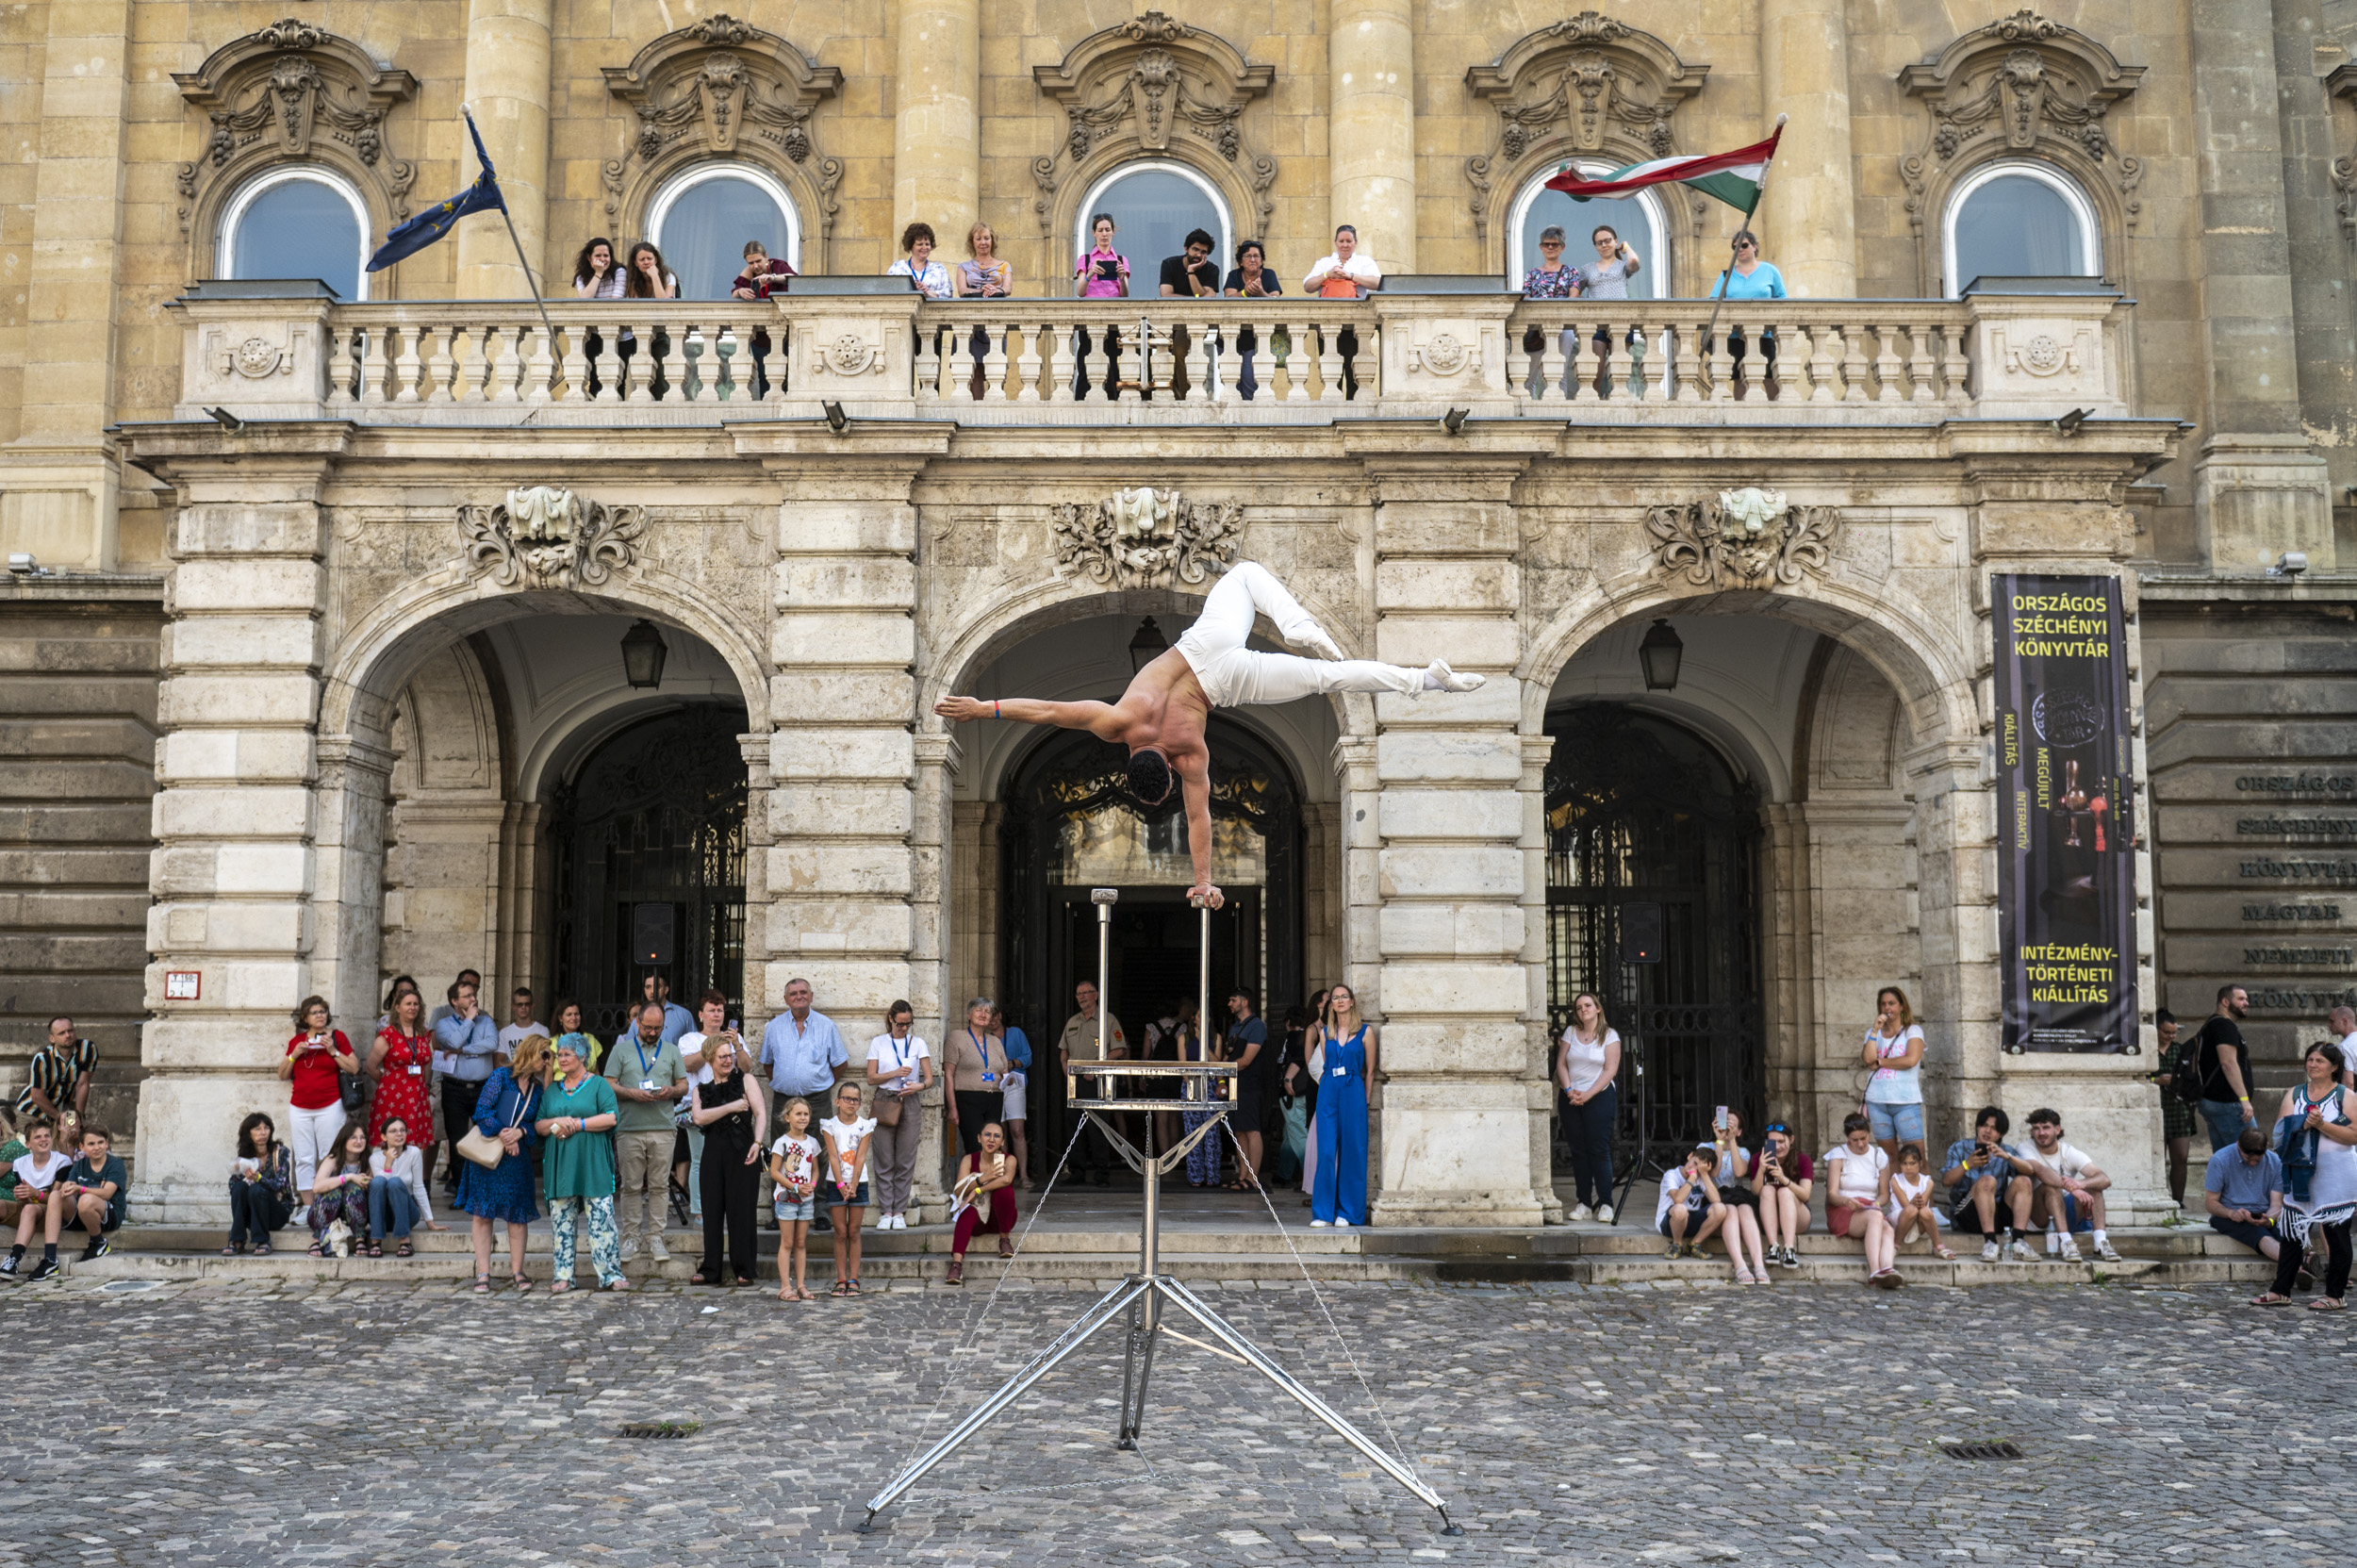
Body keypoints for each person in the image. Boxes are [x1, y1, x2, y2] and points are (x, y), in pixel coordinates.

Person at [936, 561, 1479, 910]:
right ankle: (1295, 623)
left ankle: (1426, 681)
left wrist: (1203, 880)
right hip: (1202, 648)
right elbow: (1052, 710)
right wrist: (985, 709)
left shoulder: (1191, 756)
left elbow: (1200, 820)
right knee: (1244, 574)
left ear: (1165, 768)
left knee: (1325, 679)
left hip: (1226, 681)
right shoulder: (1119, 722)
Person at [2256, 1041, 2356, 1309]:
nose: (2313, 1065)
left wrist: (2322, 1124)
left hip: (2336, 1174)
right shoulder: (2295, 1093)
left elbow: (2354, 1135)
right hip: (2298, 1171)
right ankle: (2281, 1290)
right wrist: (2303, 1123)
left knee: (2336, 1234)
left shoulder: (2345, 1096)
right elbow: (2280, 1131)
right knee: (2291, 1232)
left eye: (2320, 1061)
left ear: (2334, 1067)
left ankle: (2335, 1295)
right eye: (2310, 1060)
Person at [456, 1034, 547, 1293]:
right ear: (531, 1053)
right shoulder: (500, 1077)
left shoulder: (537, 1088)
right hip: (489, 1158)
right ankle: (483, 1273)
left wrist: (520, 1134)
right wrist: (505, 1133)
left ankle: (518, 1271)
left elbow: (535, 1124)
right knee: (483, 1216)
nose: (548, 1061)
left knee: (517, 1217)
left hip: (516, 1160)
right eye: (544, 1055)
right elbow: (482, 1111)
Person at [537, 1032, 627, 1293]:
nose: (561, 1059)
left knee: (602, 1221)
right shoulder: (553, 1090)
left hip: (593, 1164)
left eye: (567, 1054)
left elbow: (611, 1118)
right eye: (559, 1055)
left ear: (583, 1057)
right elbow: (540, 1124)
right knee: (562, 1222)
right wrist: (560, 1124)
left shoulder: (599, 1085)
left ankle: (610, 1274)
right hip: (562, 1165)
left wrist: (577, 1124)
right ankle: (563, 1276)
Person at [605, 999, 687, 1265]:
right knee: (630, 1186)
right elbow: (608, 1084)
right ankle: (631, 1237)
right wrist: (631, 1093)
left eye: (658, 1028)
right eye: (648, 1027)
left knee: (660, 1186)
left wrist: (671, 1092)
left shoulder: (672, 1050)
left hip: (663, 1126)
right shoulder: (622, 1050)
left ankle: (656, 1237)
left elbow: (684, 1085)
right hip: (629, 1127)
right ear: (637, 1022)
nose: (653, 1032)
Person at [689, 1034, 767, 1285]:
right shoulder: (700, 1090)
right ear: (710, 1059)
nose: (728, 1060)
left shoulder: (746, 1080)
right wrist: (731, 1107)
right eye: (722, 1056)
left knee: (742, 1211)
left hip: (744, 1152)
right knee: (711, 1211)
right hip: (713, 1155)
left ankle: (744, 1269)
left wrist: (757, 1143)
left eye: (730, 1055)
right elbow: (699, 1118)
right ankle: (711, 1269)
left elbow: (760, 1113)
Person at [2007, 1108, 2122, 1263]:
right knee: (2050, 1187)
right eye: (2036, 1128)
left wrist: (2081, 1183)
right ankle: (2066, 1243)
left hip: (2065, 1210)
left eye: (2046, 1127)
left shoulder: (2068, 1151)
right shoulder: (2025, 1147)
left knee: (2095, 1187)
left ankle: (2100, 1243)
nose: (2041, 1133)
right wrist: (2073, 1189)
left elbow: (2104, 1179)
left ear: (2057, 1129)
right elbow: (2041, 1172)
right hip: (2038, 1215)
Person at [1310, 982, 1376, 1228]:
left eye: (1343, 997)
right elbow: (1328, 1064)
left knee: (1353, 1151)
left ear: (1352, 1001)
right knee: (1326, 1151)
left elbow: (1370, 1071)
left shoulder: (1366, 1032)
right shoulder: (1325, 1032)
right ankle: (1322, 1212)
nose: (1339, 1001)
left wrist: (1366, 1098)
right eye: (1335, 998)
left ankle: (1347, 1212)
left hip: (1354, 1090)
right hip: (1329, 1090)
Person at [863, 1000, 931, 1233]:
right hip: (885, 1098)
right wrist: (894, 1073)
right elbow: (871, 1078)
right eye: (900, 1023)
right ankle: (886, 1212)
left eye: (908, 1024)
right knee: (883, 1158)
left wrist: (918, 1086)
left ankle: (900, 1211)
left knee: (905, 1158)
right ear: (891, 1019)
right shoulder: (879, 1043)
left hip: (909, 1099)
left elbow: (930, 1078)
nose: (904, 1028)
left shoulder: (918, 1043)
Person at [676, 990, 740, 1230]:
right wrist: (713, 1045)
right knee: (700, 1160)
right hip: (699, 1105)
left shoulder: (735, 1038)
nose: (716, 1014)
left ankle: (724, 1209)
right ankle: (700, 1211)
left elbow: (745, 1067)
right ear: (701, 1014)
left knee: (728, 1160)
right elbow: (687, 1066)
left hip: (730, 1106)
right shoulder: (689, 1039)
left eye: (720, 1010)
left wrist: (736, 1046)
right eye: (711, 1010)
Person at [280, 996, 356, 1197]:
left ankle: (329, 1201)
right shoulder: (297, 1041)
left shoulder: (337, 1037)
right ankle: (308, 1207)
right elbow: (282, 1075)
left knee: (329, 1155)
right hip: (300, 1107)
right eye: (314, 1012)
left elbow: (355, 1067)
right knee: (304, 1158)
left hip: (330, 1105)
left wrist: (332, 1050)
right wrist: (293, 1055)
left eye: (322, 1011)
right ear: (305, 1018)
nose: (320, 1015)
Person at [430, 978, 501, 1192]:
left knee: (488, 1134)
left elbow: (492, 1044)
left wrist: (464, 1051)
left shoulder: (486, 1021)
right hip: (454, 1089)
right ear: (454, 1001)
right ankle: (462, 1191)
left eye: (473, 995)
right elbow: (452, 1042)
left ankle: (487, 1186)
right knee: (457, 1139)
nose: (473, 999)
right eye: (467, 996)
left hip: (483, 1088)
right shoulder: (443, 1025)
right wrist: (469, 1020)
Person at [1557, 991, 1622, 1223]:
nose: (1583, 1009)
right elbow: (1561, 1063)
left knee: (1598, 1150)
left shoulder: (1610, 1036)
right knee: (1578, 1151)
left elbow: (1610, 1070)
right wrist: (1568, 1090)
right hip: (1571, 1097)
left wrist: (1588, 1094)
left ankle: (1605, 1204)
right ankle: (1584, 1203)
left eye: (1587, 1005)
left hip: (1599, 1097)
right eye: (1578, 1007)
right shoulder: (1570, 1033)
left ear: (1597, 1009)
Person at [1057, 979, 1127, 1185]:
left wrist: (1096, 1068)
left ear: (1095, 995)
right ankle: (1077, 1172)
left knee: (1097, 1128)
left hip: (1097, 1081)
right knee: (1074, 1126)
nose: (1081, 997)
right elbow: (1063, 1051)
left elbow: (1119, 1049)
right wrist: (1065, 1067)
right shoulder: (1073, 1022)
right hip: (1074, 1082)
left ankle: (1101, 1174)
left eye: (1085, 993)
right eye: (1078, 994)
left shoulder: (1108, 1020)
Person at [1941, 1105, 2033, 1263]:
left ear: (2001, 1134)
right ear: (1977, 1127)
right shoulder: (1960, 1147)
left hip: (1998, 1213)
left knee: (2023, 1181)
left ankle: (2018, 1241)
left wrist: (2007, 1157)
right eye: (1984, 1125)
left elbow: (2030, 1170)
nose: (1988, 1131)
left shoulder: (2005, 1150)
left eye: (1994, 1128)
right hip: (1967, 1214)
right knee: (1987, 1181)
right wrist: (1967, 1164)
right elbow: (1946, 1181)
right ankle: (1990, 1242)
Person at [1706, 230, 1787, 395]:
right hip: (1735, 335)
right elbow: (1714, 300)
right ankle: (1740, 416)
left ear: (1754, 247)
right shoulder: (1727, 275)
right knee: (1739, 377)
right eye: (1735, 248)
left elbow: (1782, 299)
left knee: (1769, 376)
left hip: (1763, 333)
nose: (1739, 250)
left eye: (1743, 245)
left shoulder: (1769, 271)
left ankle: (1776, 415)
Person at [1302, 223, 1379, 396]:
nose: (1345, 245)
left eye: (1349, 241)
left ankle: (1353, 410)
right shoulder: (1325, 263)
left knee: (1355, 371)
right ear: (1336, 242)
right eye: (1341, 241)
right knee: (1330, 371)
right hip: (1328, 324)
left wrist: (1350, 276)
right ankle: (1333, 406)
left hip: (1356, 325)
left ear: (1355, 243)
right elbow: (1307, 286)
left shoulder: (1364, 261)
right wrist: (1327, 275)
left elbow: (1377, 283)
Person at [1826, 1112, 1900, 1287]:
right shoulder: (1838, 1155)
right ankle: (1874, 1271)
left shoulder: (1878, 1156)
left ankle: (1887, 1269)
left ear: (1869, 1134)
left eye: (1863, 1138)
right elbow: (1832, 1194)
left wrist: (1877, 1203)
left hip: (1869, 1208)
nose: (1860, 1144)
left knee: (1888, 1229)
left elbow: (1884, 1194)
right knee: (1876, 1217)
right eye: (1854, 1140)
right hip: (1843, 1209)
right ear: (1847, 1139)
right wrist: (1846, 1201)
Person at [367, 986, 436, 1170]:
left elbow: (426, 1062)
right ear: (397, 1008)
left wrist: (427, 1086)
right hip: (393, 1095)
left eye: (415, 1004)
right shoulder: (388, 1034)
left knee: (413, 1144)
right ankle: (385, 1178)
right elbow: (370, 1066)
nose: (412, 1007)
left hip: (417, 1094)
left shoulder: (423, 1035)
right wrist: (388, 1081)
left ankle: (410, 1186)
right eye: (408, 1004)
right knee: (390, 1140)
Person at [946, 1121, 1019, 1284]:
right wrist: (982, 1179)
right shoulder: (968, 1159)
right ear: (979, 1138)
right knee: (967, 1211)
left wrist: (977, 1190)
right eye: (987, 1135)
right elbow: (958, 1191)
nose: (991, 1140)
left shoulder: (1009, 1159)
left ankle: (1004, 1240)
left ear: (1002, 1142)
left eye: (997, 1136)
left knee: (1004, 1192)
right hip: (978, 1219)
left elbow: (1006, 1180)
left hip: (1001, 1219)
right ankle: (956, 1265)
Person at [2204, 1126, 2288, 1268]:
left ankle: (2302, 1265)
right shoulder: (2219, 1160)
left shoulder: (2275, 1162)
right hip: (2229, 1215)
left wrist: (2270, 1219)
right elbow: (2210, 1203)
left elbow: (2276, 1204)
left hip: (2264, 1213)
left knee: (2283, 1232)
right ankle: (2301, 1264)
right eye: (2248, 1158)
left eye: (2258, 1160)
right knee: (2259, 1233)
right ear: (2238, 1146)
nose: (2253, 1163)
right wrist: (2231, 1213)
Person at [1861, 986, 1927, 1163]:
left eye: (1892, 1003)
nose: (1887, 1008)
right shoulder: (1872, 1033)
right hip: (1877, 1102)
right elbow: (1868, 1059)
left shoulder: (1912, 1031)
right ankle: (1894, 1191)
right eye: (1883, 1004)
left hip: (1905, 1101)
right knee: (1889, 1157)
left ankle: (1923, 1191)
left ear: (1902, 1006)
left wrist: (1881, 1062)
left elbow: (1910, 1060)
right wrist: (1875, 1031)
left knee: (1916, 1156)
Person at [1574, 224, 1642, 395]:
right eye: (1599, 243)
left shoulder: (1622, 266)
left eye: (1607, 241)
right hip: (1596, 323)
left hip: (1621, 321)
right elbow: (1574, 294)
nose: (1604, 245)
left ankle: (1617, 403)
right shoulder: (1588, 268)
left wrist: (1626, 248)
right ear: (1596, 246)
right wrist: (1588, 307)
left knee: (1618, 370)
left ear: (1615, 241)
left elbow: (1634, 262)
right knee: (1595, 370)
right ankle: (1595, 403)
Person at [820, 1081, 875, 1296]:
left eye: (855, 1099)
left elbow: (861, 1156)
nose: (851, 1103)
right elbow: (832, 1156)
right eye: (847, 1098)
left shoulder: (865, 1126)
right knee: (840, 1231)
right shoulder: (830, 1125)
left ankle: (854, 1278)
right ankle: (841, 1278)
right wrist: (842, 1184)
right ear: (838, 1101)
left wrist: (852, 1182)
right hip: (836, 1183)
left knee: (854, 1230)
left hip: (858, 1182)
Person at [3, 1119, 74, 1281]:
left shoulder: (62, 1161)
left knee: (33, 1207)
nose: (44, 1139)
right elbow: (26, 1204)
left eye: (47, 1136)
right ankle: (12, 1263)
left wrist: (36, 1193)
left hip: (56, 1211)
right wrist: (23, 1197)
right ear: (28, 1144)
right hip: (32, 1210)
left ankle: (15, 1258)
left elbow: (57, 1200)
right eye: (38, 1137)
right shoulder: (19, 1164)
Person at [1073, 211, 1131, 397]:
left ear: (1113, 232)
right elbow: (1080, 291)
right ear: (1094, 233)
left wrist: (1122, 278)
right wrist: (1090, 274)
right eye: (1100, 230)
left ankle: (1113, 398)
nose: (1104, 234)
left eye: (1107, 230)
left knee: (1113, 362)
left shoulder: (1121, 260)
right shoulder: (1086, 259)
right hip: (1090, 315)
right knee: (1085, 359)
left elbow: (1125, 294)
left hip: (1113, 315)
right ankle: (1081, 399)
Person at [1519, 223, 1581, 397]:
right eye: (1547, 244)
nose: (1550, 247)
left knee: (1558, 372)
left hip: (1563, 327)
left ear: (1562, 247)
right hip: (1536, 328)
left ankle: (1558, 408)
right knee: (1529, 376)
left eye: (1555, 244)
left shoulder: (1570, 271)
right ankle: (1527, 414)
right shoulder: (1532, 274)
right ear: (1541, 247)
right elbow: (1526, 297)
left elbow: (1573, 296)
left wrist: (1556, 315)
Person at [1159, 227, 1221, 399]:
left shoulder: (1211, 269)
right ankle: (1172, 395)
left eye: (1203, 252)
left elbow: (1208, 299)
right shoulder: (1169, 264)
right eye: (1195, 249)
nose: (1198, 254)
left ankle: (1185, 397)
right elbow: (1165, 296)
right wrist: (1195, 297)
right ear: (1186, 248)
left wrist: (1192, 272)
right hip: (1168, 319)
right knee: (1162, 355)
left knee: (1179, 350)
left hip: (1194, 322)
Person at [768, 1096, 820, 1301]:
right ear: (787, 1117)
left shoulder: (813, 1142)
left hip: (806, 1200)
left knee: (801, 1242)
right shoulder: (782, 1143)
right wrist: (796, 1187)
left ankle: (801, 1285)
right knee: (787, 1242)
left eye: (806, 1114)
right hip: (787, 1199)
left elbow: (815, 1170)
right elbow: (774, 1172)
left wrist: (812, 1186)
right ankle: (784, 1287)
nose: (803, 1117)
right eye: (798, 1113)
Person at [731, 237, 797, 398]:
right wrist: (741, 292)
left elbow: (795, 280)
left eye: (758, 261)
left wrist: (772, 277)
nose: (755, 266)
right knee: (764, 377)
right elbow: (734, 293)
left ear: (766, 256)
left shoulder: (778, 266)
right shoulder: (749, 273)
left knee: (787, 376)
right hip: (760, 337)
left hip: (783, 334)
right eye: (751, 263)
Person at [2193, 982, 2256, 1151]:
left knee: (2224, 1159)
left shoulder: (2211, 1024)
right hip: (2229, 1103)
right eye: (2241, 999)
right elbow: (2228, 1064)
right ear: (2225, 1002)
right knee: (2249, 1154)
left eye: (2247, 999)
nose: (2246, 1003)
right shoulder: (2224, 1025)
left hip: (2214, 1101)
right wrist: (2244, 1099)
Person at [1711, 1109, 1772, 1283]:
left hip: (1737, 1196)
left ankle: (1759, 1264)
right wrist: (1720, 1140)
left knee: (1745, 1209)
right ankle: (1740, 1264)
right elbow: (1714, 1172)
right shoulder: (1705, 1147)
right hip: (1716, 1197)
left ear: (1739, 1132)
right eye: (1725, 1122)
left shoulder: (1743, 1151)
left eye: (1733, 1125)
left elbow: (1739, 1172)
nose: (1727, 1127)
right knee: (1729, 1210)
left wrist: (1731, 1141)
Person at [954, 222, 1012, 399]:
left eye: (986, 238)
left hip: (995, 320)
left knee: (995, 367)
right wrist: (983, 291)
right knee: (975, 369)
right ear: (972, 242)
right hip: (971, 320)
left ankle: (994, 407)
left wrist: (996, 290)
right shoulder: (963, 267)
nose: (983, 242)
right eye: (978, 239)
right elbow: (962, 290)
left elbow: (1007, 289)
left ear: (992, 241)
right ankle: (978, 407)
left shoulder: (1004, 265)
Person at [223, 1112, 294, 1256]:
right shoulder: (245, 1156)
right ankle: (237, 1240)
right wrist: (240, 1173)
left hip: (276, 1213)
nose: (263, 1133)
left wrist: (259, 1178)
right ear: (248, 1134)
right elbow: (233, 1188)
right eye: (257, 1129)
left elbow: (279, 1185)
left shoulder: (280, 1153)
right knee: (239, 1187)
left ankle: (263, 1241)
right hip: (252, 1215)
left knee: (257, 1189)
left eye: (266, 1128)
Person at [365, 1115, 437, 1258]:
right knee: (378, 1182)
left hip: (407, 1212)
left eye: (402, 1130)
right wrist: (388, 1163)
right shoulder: (375, 1157)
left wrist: (430, 1221)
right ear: (383, 1137)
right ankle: (376, 1240)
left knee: (395, 1182)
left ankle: (404, 1240)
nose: (399, 1134)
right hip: (384, 1214)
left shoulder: (414, 1153)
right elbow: (380, 1186)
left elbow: (419, 1187)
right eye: (393, 1131)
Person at [14, 1015, 97, 1137]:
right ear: (52, 1038)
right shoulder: (42, 1058)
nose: (68, 1035)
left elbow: (82, 1084)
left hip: (64, 1108)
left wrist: (79, 1118)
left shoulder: (87, 1049)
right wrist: (60, 1118)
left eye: (70, 1031)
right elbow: (37, 1096)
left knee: (73, 1140)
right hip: (31, 1112)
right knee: (38, 1147)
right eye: (62, 1033)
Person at [942, 998, 1004, 1160]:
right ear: (969, 1015)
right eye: (979, 1010)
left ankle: (995, 1184)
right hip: (968, 1100)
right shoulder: (957, 1037)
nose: (983, 1014)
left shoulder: (995, 1041)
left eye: (988, 1012)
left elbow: (1004, 1071)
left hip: (994, 1099)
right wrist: (952, 1107)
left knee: (994, 1147)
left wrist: (1009, 1079)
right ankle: (977, 1184)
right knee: (976, 1147)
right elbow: (948, 1074)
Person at [1223, 239, 1282, 398]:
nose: (1253, 259)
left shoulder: (1269, 275)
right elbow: (1228, 297)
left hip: (1257, 338)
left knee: (1250, 381)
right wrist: (1245, 293)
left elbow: (1276, 300)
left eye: (1256, 256)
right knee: (1231, 384)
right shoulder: (1234, 275)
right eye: (1248, 256)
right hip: (1230, 337)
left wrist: (1260, 292)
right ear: (1241, 261)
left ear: (1262, 260)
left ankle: (1248, 422)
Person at [59, 1124, 126, 1263]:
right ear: (82, 1147)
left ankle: (98, 1242)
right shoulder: (80, 1165)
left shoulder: (115, 1164)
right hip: (84, 1213)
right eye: (91, 1144)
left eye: (100, 1142)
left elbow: (107, 1193)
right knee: (57, 1196)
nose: (97, 1147)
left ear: (106, 1144)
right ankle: (50, 1253)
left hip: (111, 1214)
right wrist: (67, 1186)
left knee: (86, 1200)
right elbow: (70, 1186)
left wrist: (81, 1189)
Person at [305, 1121, 373, 1257]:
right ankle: (316, 1239)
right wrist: (348, 1177)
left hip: (352, 1214)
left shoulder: (368, 1161)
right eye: (353, 1137)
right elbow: (317, 1187)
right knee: (333, 1192)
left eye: (362, 1137)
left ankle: (360, 1238)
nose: (359, 1141)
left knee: (354, 1190)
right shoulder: (333, 1159)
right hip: (323, 1212)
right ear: (344, 1139)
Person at [2151, 1008, 2196, 1211]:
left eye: (2174, 1032)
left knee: (2181, 1157)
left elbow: (2194, 1079)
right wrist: (2156, 1080)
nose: (2171, 1036)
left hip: (2179, 1109)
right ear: (2156, 1030)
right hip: (2156, 1107)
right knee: (2156, 1157)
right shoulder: (2147, 1050)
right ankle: (2157, 1196)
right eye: (2166, 1032)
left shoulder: (2180, 1050)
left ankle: (2178, 1200)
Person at [1755, 1120, 1814, 1268]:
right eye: (1772, 1142)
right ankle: (1773, 1247)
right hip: (1769, 1219)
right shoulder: (1758, 1159)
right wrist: (1761, 1170)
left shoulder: (1803, 1160)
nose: (1777, 1147)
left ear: (1791, 1140)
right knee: (1767, 1189)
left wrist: (1783, 1179)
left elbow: (1805, 1195)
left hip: (1798, 1217)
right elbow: (1755, 1192)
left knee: (1784, 1192)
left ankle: (1789, 1249)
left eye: (1781, 1141)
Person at [1224, 987, 1267, 1190]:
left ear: (1245, 1002)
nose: (1229, 1004)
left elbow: (1247, 1060)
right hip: (1235, 1084)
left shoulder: (1257, 1026)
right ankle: (1243, 1174)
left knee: (1252, 1130)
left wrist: (1225, 1069)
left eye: (1233, 1000)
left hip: (1250, 1084)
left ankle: (1253, 1177)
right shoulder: (1234, 1028)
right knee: (1239, 1130)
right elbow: (1228, 1056)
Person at [573, 237, 626, 396]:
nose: (603, 259)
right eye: (598, 256)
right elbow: (585, 300)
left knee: (617, 378)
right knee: (594, 378)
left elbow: (615, 302)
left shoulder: (619, 272)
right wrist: (598, 273)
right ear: (589, 257)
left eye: (606, 255)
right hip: (594, 334)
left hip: (620, 335)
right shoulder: (581, 277)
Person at [1655, 1145, 1727, 1260]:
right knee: (1680, 1209)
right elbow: (1678, 1199)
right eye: (1695, 1163)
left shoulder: (1701, 1176)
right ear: (1690, 1156)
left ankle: (1694, 1244)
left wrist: (1703, 1174)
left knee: (1720, 1208)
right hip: (1669, 1223)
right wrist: (1692, 1178)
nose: (1695, 1168)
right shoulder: (1671, 1175)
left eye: (1700, 1168)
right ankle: (1676, 1244)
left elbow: (1716, 1200)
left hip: (1691, 1220)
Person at [1887, 1143, 1955, 1263]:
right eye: (1905, 1164)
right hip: (1901, 1217)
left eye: (1912, 1163)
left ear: (1920, 1163)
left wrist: (1918, 1201)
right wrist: (1913, 1202)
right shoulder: (1895, 1180)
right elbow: (1905, 1206)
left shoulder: (1927, 1182)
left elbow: (1923, 1203)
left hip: (1920, 1221)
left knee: (1926, 1211)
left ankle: (1938, 1246)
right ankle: (1895, 1245)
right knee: (1911, 1209)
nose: (1908, 1167)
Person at [992, 1003, 1031, 1186]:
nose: (992, 1021)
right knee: (999, 1133)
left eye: (994, 1016)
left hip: (1015, 1084)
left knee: (1017, 1130)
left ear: (1000, 1016)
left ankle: (1023, 1175)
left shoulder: (1015, 1033)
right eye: (988, 1017)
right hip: (995, 1085)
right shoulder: (985, 1039)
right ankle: (1003, 1176)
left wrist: (1013, 1063)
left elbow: (1028, 1057)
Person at [890, 221, 954, 300]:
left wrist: (927, 292)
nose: (925, 248)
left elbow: (948, 295)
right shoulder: (897, 267)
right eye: (920, 244)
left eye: (927, 244)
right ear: (911, 246)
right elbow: (889, 292)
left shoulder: (939, 269)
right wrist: (912, 290)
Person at [640, 973, 695, 1047]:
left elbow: (694, 1045)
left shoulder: (683, 1015)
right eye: (648, 987)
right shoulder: (639, 1016)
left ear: (666, 990)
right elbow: (629, 1050)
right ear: (644, 990)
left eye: (657, 986)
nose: (652, 991)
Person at [499, 988, 549, 1058]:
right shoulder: (504, 1033)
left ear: (532, 1006)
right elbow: (499, 1061)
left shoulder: (542, 1031)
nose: (523, 1007)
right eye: (520, 1004)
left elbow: (546, 1058)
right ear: (513, 1006)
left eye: (527, 1004)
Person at [2332, 1005, 2357, 1090]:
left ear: (2344, 1021)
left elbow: (2348, 1083)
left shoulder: (2345, 1047)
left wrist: (2345, 1101)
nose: (2329, 1025)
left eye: (2332, 1021)